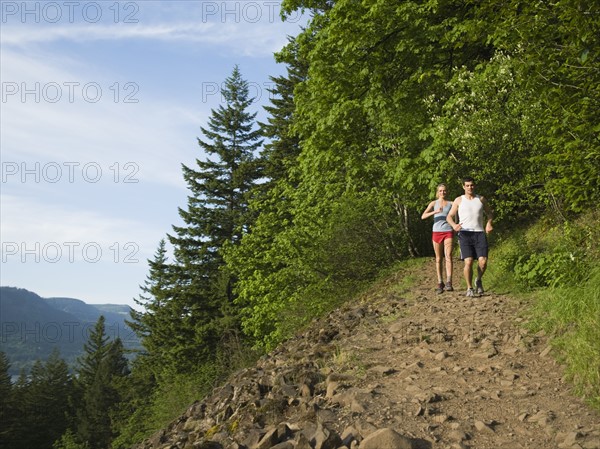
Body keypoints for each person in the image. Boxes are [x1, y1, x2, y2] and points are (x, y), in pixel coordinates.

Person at [446, 177, 494, 297]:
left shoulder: (481, 199)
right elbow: (449, 216)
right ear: (463, 187)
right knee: (469, 261)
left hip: (479, 233)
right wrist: (454, 225)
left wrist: (489, 223)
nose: (470, 187)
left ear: (474, 186)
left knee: (483, 262)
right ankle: (469, 288)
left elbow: (490, 212)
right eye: (467, 185)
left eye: (471, 185)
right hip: (465, 233)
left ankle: (478, 280)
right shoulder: (459, 200)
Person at [421, 183, 454, 294]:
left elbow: (459, 213)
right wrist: (435, 212)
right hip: (436, 232)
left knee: (448, 256)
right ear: (437, 192)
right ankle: (440, 282)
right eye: (440, 191)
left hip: (448, 231)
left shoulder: (451, 203)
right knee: (439, 258)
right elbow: (423, 216)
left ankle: (449, 282)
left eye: (444, 190)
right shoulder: (433, 203)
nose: (442, 192)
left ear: (447, 191)